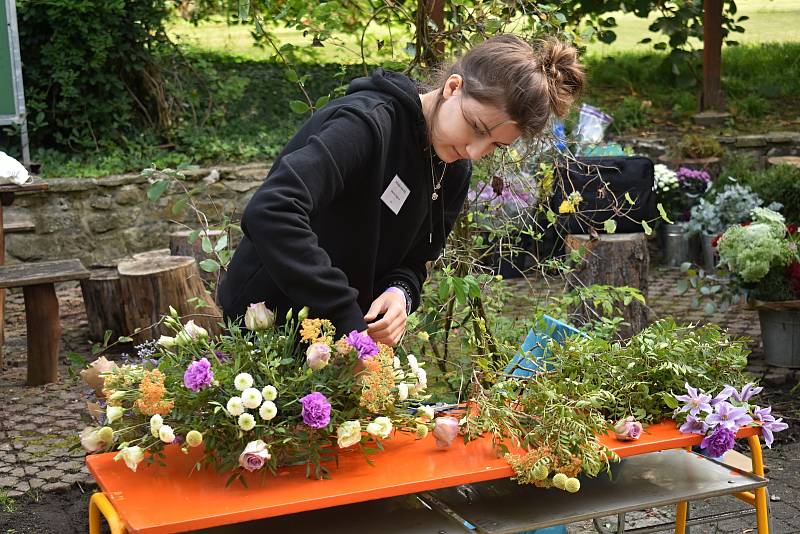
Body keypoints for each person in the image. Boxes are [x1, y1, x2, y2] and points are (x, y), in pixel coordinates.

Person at [218, 34, 585, 346]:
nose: (474, 150)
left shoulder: (453, 170)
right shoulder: (366, 126)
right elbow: (272, 210)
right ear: (453, 87)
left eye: (495, 146)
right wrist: (345, 314)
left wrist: (400, 294)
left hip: (338, 345)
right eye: (475, 127)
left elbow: (415, 261)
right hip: (264, 331)